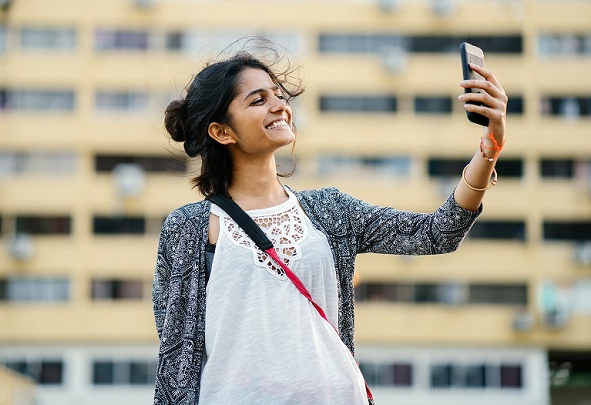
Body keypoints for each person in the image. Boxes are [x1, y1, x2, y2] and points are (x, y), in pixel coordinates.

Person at [152, 41, 508, 405]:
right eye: (258, 100)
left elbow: (437, 234)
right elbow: (176, 350)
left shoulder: (330, 210)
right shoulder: (190, 228)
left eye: (278, 94)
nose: (280, 106)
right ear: (222, 132)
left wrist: (490, 148)